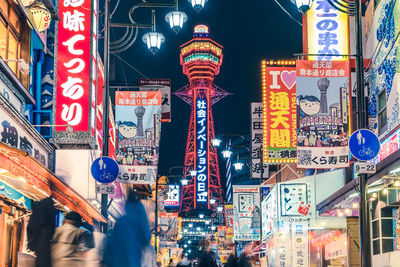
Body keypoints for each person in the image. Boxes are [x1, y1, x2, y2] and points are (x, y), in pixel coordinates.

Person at [102, 190, 152, 267]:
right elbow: (146, 239)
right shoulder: (141, 221)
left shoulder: (121, 221)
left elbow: (111, 242)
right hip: (134, 262)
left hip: (117, 262)